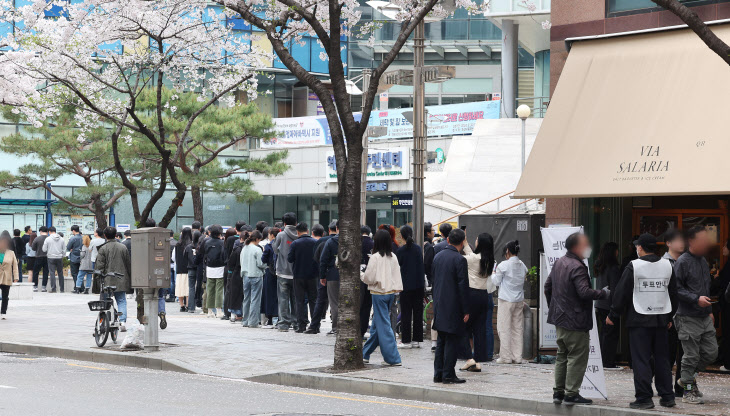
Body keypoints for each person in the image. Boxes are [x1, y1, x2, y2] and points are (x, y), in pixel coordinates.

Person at [607, 233, 678, 409]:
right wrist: (669, 317)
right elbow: (674, 295)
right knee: (662, 359)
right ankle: (668, 396)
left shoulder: (634, 266)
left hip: (639, 319)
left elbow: (621, 293)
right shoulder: (668, 265)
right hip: (661, 319)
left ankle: (644, 398)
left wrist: (613, 315)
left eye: (637, 246)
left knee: (641, 359)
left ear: (640, 248)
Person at [545, 232, 609, 406]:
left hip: (560, 320)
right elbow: (584, 292)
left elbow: (547, 287)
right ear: (577, 247)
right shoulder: (578, 266)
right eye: (585, 244)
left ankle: (558, 392)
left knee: (562, 356)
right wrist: (603, 293)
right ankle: (571, 393)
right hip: (576, 320)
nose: (588, 247)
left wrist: (555, 308)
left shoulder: (559, 262)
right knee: (576, 357)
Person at [673, 225, 718, 405]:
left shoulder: (702, 261)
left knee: (711, 352)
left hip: (704, 316)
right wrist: (695, 299)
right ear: (691, 241)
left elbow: (705, 289)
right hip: (687, 316)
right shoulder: (682, 261)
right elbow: (675, 289)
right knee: (691, 357)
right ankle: (688, 391)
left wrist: (710, 311)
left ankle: (686, 379)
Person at [432, 228, 470, 384]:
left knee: (441, 340)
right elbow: (463, 286)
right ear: (462, 242)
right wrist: (466, 309)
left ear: (448, 240)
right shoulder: (460, 260)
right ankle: (448, 374)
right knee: (452, 341)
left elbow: (434, 281)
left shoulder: (438, 256)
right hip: (454, 306)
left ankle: (438, 373)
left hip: (440, 303)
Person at [362, 229, 404, 366]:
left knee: (383, 325)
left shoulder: (374, 257)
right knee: (377, 325)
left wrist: (360, 274)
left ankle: (393, 358)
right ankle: (365, 354)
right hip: (391, 293)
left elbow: (369, 278)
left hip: (378, 293)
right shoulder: (393, 256)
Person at [460, 232, 496, 371]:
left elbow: (466, 257)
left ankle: (468, 358)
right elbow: (472, 255)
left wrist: (463, 242)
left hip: (471, 295)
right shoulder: (489, 259)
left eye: (476, 240)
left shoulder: (473, 259)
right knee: (479, 330)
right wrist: (465, 241)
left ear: (480, 243)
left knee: (463, 327)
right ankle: (478, 361)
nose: (475, 242)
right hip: (483, 296)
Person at [493, 240, 528, 365]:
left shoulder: (503, 265)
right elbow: (525, 274)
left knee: (504, 328)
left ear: (507, 251)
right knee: (517, 328)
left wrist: (493, 273)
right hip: (519, 300)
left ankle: (506, 357)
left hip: (506, 300)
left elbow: (496, 282)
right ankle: (517, 356)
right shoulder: (522, 264)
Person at [662, 228, 686, 396]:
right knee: (668, 354)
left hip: (686, 316)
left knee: (686, 355)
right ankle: (665, 388)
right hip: (670, 315)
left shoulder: (686, 262)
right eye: (678, 240)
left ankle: (681, 387)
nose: (682, 243)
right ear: (668, 243)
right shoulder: (663, 263)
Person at [94, 226, 131, 331]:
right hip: (121, 279)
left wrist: (97, 278)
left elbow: (99, 266)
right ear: (116, 235)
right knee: (121, 300)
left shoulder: (103, 248)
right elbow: (128, 264)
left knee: (105, 301)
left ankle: (104, 322)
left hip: (106, 280)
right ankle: (122, 321)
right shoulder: (123, 247)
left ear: (105, 235)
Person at [396, 225, 425, 349]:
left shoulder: (400, 251)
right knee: (418, 312)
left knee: (406, 313)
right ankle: (417, 340)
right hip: (418, 285)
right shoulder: (418, 249)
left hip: (405, 286)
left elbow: (398, 268)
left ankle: (406, 340)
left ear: (402, 236)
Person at [306, 221, 337, 334]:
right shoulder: (345, 240)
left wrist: (321, 274)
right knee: (336, 301)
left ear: (328, 230)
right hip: (339, 275)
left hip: (325, 274)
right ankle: (336, 326)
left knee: (320, 300)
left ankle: (314, 326)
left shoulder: (322, 241)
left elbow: (317, 258)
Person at [593, 242, 621, 369]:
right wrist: (617, 306)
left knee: (604, 333)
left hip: (600, 303)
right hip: (609, 304)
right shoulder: (613, 268)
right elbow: (615, 289)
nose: (618, 253)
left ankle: (603, 360)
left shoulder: (600, 266)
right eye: (616, 250)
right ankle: (608, 361)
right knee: (611, 334)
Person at [288, 222, 318, 333]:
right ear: (308, 230)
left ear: (298, 232)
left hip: (299, 275)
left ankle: (302, 325)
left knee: (300, 301)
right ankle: (315, 325)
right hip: (313, 275)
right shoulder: (315, 242)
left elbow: (290, 259)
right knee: (313, 300)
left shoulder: (295, 243)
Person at [273, 212, 298, 332]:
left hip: (282, 271)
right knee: (296, 299)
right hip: (296, 273)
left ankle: (283, 324)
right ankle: (296, 323)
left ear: (284, 223)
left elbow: (275, 249)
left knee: (283, 299)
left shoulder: (281, 235)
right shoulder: (300, 234)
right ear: (296, 223)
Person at [319, 220, 341, 335]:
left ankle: (336, 327)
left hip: (333, 275)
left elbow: (323, 260)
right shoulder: (354, 241)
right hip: (351, 276)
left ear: (336, 228)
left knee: (334, 302)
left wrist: (322, 276)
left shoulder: (331, 241)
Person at [241, 230, 266, 328]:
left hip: (245, 275)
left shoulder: (244, 248)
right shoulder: (257, 249)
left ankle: (245, 320)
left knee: (246, 299)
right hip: (256, 275)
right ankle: (253, 322)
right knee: (255, 299)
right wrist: (266, 265)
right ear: (256, 239)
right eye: (259, 240)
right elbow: (260, 264)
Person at [202, 225, 226, 318]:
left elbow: (202, 253)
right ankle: (219, 310)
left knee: (210, 289)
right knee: (219, 289)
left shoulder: (206, 242)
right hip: (220, 267)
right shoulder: (222, 243)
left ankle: (210, 311)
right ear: (220, 233)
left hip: (209, 267)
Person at [715, 239, 730, 373]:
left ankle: (728, 363)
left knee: (727, 332)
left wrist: (717, 278)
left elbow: (723, 284)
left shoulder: (728, 265)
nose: (723, 248)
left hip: (728, 305)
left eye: (725, 245)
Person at [261, 227, 280, 328]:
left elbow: (263, 259)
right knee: (279, 295)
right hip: (280, 272)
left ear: (272, 235)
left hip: (269, 272)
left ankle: (270, 319)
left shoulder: (269, 246)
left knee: (269, 295)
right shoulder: (281, 245)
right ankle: (279, 317)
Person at [0, 236, 20, 319]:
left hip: (7, 277)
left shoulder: (11, 253)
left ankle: (3, 312)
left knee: (5, 296)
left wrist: (16, 277)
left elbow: (15, 265)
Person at [360, 225, 374, 337]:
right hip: (370, 278)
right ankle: (363, 329)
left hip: (357, 278)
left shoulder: (355, 243)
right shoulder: (372, 244)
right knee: (367, 304)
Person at [174, 228, 192, 312]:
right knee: (187, 288)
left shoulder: (178, 244)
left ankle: (182, 306)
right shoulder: (190, 245)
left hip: (179, 269)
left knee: (180, 288)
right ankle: (188, 305)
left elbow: (175, 258)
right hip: (188, 269)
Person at [43, 226, 66, 293]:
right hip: (59, 257)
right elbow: (64, 249)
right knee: (60, 273)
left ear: (49, 232)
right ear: (55, 231)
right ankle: (62, 289)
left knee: (52, 273)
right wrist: (63, 256)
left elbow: (44, 249)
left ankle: (53, 288)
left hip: (50, 257)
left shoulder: (48, 239)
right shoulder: (62, 239)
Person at [184, 231, 201, 314]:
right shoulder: (201, 246)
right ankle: (200, 304)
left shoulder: (188, 247)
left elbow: (184, 257)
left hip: (190, 268)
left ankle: (191, 308)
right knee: (200, 286)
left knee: (191, 287)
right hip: (199, 269)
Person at [31, 226, 49, 292]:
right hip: (47, 257)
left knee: (36, 272)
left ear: (40, 231)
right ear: (47, 231)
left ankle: (35, 287)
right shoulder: (49, 238)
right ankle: (44, 287)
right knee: (46, 272)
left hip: (38, 257)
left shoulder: (37, 239)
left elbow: (33, 248)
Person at [67, 225, 83, 293]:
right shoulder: (83, 238)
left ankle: (77, 287)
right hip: (82, 257)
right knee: (80, 273)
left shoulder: (73, 239)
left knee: (74, 273)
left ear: (73, 231)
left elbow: (68, 247)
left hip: (74, 257)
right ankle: (81, 287)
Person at [423, 222, 435, 286]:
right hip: (427, 280)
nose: (434, 232)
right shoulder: (429, 247)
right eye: (433, 230)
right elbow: (428, 265)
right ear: (428, 233)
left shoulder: (419, 242)